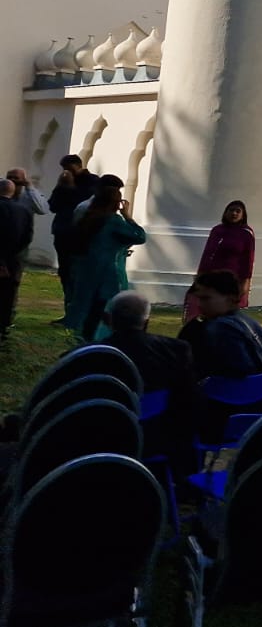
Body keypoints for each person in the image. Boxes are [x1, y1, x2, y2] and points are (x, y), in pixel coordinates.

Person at [104, 290, 201, 470]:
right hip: (160, 439)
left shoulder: (90, 355)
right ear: (146, 322)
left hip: (104, 438)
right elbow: (189, 401)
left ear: (108, 320)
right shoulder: (177, 351)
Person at [66, 180, 145, 341]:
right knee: (104, 310)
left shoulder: (88, 217)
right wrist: (128, 217)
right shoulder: (113, 220)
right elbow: (139, 236)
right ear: (117, 203)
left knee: (87, 308)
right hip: (106, 272)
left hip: (86, 270)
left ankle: (83, 337)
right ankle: (97, 340)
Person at [179, 270, 262, 380]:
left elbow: (239, 369)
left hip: (235, 392)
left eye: (206, 299)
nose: (200, 305)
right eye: (199, 299)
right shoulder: (251, 323)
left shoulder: (218, 327)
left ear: (231, 298)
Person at [184, 200, 256, 320]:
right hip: (212, 276)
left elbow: (248, 260)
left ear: (243, 215)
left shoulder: (246, 233)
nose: (234, 213)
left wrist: (245, 282)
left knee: (224, 311)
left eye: (238, 211)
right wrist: (200, 275)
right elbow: (207, 253)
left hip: (232, 278)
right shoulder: (217, 230)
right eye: (231, 210)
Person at [47, 154, 98, 312]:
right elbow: (53, 206)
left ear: (78, 165)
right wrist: (61, 186)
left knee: (78, 272)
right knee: (65, 272)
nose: (66, 172)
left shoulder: (93, 181)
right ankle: (68, 308)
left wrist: (69, 187)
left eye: (69, 168)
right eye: (64, 169)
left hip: (80, 234)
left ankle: (78, 310)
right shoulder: (63, 182)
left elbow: (85, 203)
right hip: (63, 232)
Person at [0, 179, 33, 338]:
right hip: (14, 259)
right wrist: (12, 255)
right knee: (9, 292)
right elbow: (28, 236)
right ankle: (4, 324)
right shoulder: (24, 210)